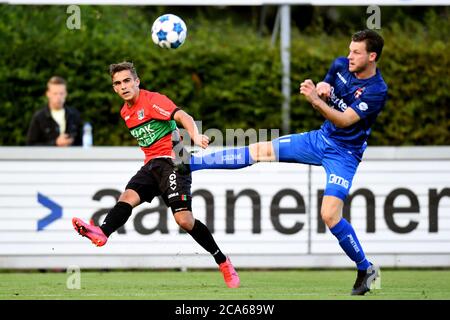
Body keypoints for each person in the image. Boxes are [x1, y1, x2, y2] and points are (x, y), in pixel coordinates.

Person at [179, 29, 387, 295]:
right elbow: (327, 87)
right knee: (258, 150)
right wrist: (321, 89)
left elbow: (344, 120)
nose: (349, 56)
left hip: (345, 155)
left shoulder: (377, 90)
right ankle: (192, 163)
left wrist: (314, 100)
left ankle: (365, 268)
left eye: (356, 52)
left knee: (329, 215)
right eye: (349, 50)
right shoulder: (340, 65)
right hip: (319, 140)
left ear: (372, 56)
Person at [71, 61, 240, 289]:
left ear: (137, 81)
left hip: (174, 161)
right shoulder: (125, 112)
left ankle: (223, 261)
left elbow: (183, 116)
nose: (123, 86)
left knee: (184, 221)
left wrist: (195, 136)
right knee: (127, 198)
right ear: (114, 88)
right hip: (151, 166)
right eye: (117, 83)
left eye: (127, 81)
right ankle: (102, 232)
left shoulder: (152, 101)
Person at [26, 76, 82, 146]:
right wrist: (55, 143)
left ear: (66, 94)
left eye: (61, 93)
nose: (58, 97)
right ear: (48, 94)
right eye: (55, 93)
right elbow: (31, 145)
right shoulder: (39, 117)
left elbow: (82, 143)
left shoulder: (74, 115)